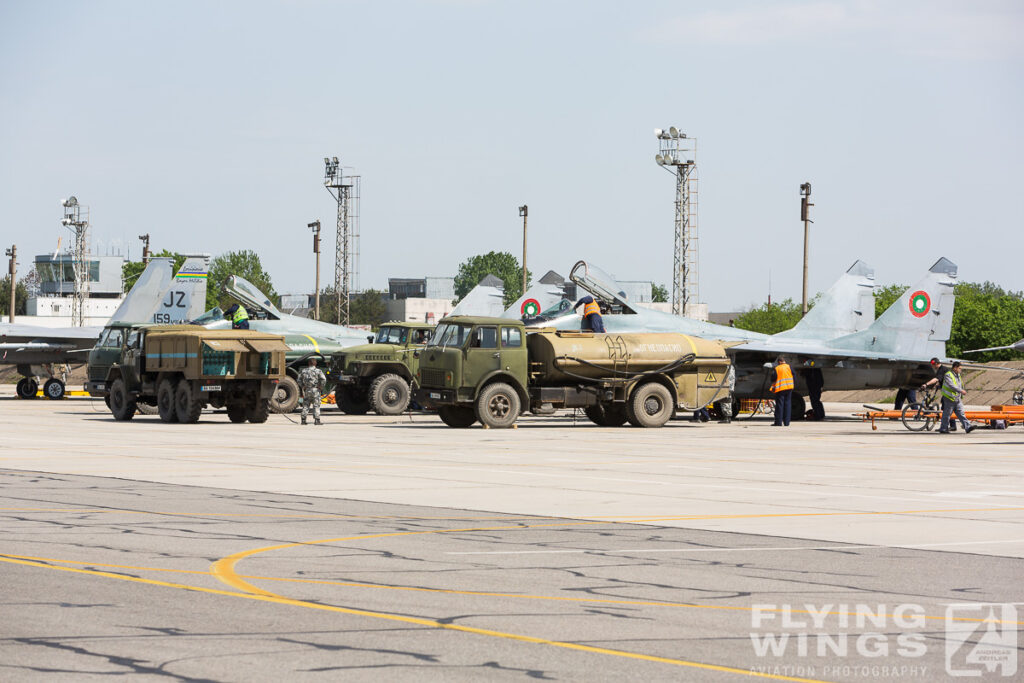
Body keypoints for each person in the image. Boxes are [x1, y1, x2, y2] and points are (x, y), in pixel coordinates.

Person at [938, 361, 974, 434]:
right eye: (959, 368)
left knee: (961, 413)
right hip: (949, 398)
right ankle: (943, 428)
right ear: (955, 368)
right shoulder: (948, 375)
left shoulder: (958, 375)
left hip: (957, 398)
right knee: (947, 414)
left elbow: (959, 385)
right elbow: (952, 385)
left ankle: (967, 427)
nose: (960, 370)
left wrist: (960, 393)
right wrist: (961, 391)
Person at [922, 357, 957, 432]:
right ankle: (952, 426)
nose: (932, 366)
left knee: (946, 409)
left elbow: (936, 378)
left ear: (936, 364)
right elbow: (941, 379)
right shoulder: (943, 369)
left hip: (949, 393)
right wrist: (938, 385)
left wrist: (926, 384)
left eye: (933, 365)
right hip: (950, 392)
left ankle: (946, 427)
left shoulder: (941, 369)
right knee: (948, 409)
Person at [298, 357, 327, 425]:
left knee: (306, 405)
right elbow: (323, 379)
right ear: (315, 363)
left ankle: (303, 420)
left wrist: (303, 386)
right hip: (315, 390)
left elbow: (299, 380)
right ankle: (317, 420)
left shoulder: (303, 371)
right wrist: (320, 387)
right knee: (316, 405)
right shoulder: (318, 371)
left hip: (307, 390)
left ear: (308, 363)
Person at [770, 356, 794, 427]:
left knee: (780, 405)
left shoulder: (777, 368)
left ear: (779, 362)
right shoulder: (789, 367)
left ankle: (778, 422)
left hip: (781, 388)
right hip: (789, 388)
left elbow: (773, 378)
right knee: (788, 404)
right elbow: (794, 375)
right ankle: (787, 423)